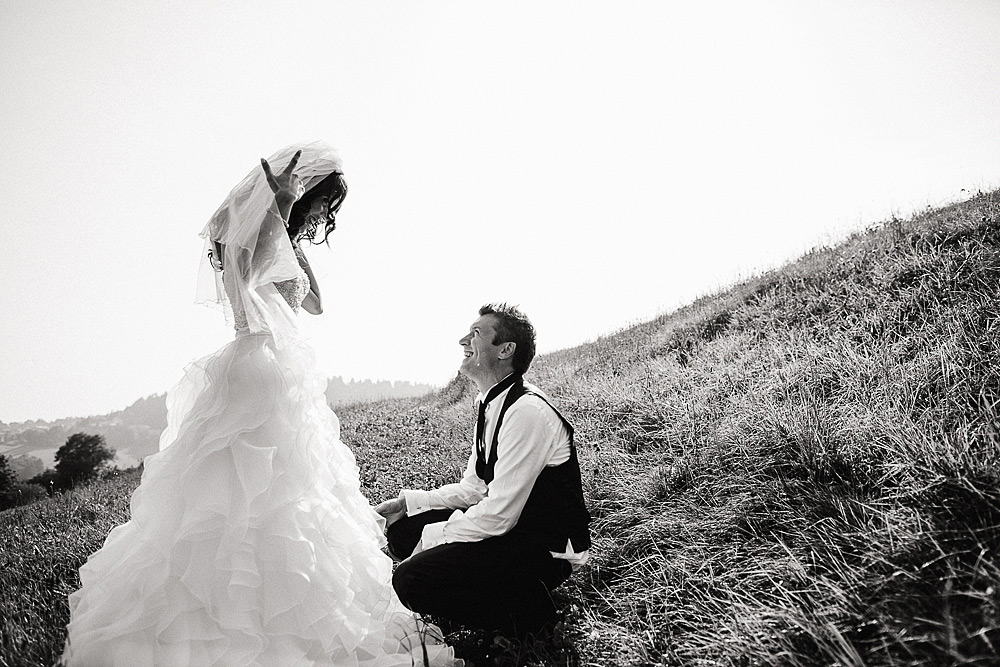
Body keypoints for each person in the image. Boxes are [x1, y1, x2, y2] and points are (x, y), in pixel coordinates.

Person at [60, 141, 459, 667]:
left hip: (281, 372)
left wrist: (294, 232)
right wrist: (283, 212)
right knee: (241, 496)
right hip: (260, 368)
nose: (324, 214)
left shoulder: (282, 240)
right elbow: (242, 280)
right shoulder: (253, 237)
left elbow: (316, 304)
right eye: (323, 202)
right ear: (306, 193)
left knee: (288, 493)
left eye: (326, 208)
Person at [375, 304, 592, 637]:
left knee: (410, 580)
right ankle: (493, 590)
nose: (464, 340)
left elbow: (499, 515)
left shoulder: (527, 411)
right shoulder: (489, 403)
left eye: (476, 333)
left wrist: (434, 538)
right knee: (404, 530)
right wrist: (410, 502)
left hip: (544, 549)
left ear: (505, 350)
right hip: (514, 529)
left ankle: (532, 617)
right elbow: (475, 489)